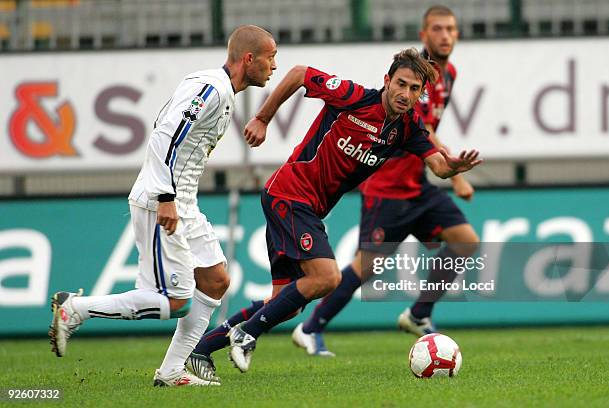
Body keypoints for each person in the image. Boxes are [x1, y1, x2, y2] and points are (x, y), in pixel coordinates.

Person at [186, 47, 482, 379]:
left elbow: (437, 165)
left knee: (287, 301)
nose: (405, 94)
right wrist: (263, 118)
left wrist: (453, 167)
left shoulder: (408, 127)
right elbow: (299, 73)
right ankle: (246, 333)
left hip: (308, 208)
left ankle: (200, 350)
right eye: (401, 84)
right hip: (289, 193)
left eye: (415, 90)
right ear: (387, 80)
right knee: (327, 277)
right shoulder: (353, 97)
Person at [48, 25, 277, 387]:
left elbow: (165, 126)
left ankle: (172, 371)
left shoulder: (219, 89)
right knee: (174, 303)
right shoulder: (211, 89)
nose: (274, 66)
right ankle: (73, 309)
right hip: (163, 201)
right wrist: (166, 196)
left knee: (216, 280)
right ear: (249, 58)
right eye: (270, 57)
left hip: (184, 201)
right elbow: (164, 134)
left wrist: (177, 197)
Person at [291, 5, 480, 356]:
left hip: (418, 186)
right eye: (437, 29)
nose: (445, 35)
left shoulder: (448, 74)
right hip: (388, 186)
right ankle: (309, 326)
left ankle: (419, 313)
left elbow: (429, 131)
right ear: (423, 35)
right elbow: (423, 131)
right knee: (368, 266)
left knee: (465, 241)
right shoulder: (412, 78)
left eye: (451, 29)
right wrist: (455, 178)